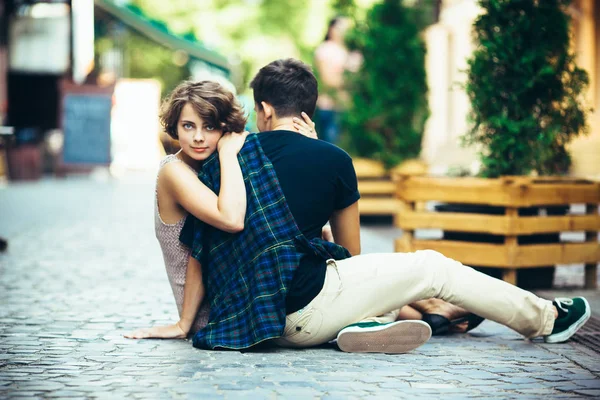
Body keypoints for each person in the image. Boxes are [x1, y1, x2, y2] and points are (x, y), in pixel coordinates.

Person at [179, 58, 591, 354]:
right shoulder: (334, 159)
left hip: (252, 319)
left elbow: (204, 246)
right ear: (309, 108)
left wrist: (184, 321)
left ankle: (372, 320)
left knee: (385, 280)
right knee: (432, 267)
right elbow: (351, 255)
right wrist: (321, 149)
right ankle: (547, 318)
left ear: (263, 109)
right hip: (308, 313)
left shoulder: (227, 157)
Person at [124, 80, 319, 340]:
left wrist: (309, 146)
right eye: (188, 126)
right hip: (218, 316)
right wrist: (228, 155)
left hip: (252, 300)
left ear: (226, 128)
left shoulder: (221, 165)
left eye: (210, 126)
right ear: (175, 126)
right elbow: (232, 219)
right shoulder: (173, 171)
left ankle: (383, 316)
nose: (198, 137)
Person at [314, 16, 362, 144]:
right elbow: (328, 80)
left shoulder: (353, 52)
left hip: (348, 108)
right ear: (331, 29)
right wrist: (350, 82)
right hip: (329, 106)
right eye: (340, 27)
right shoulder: (325, 49)